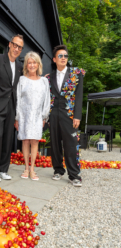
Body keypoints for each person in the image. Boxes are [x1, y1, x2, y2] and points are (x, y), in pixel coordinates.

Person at [0, 34, 24, 182]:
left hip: (11, 107)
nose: (17, 48)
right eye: (15, 45)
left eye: (20, 47)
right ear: (9, 44)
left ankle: (3, 169)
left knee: (8, 139)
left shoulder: (20, 67)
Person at [46, 45, 85, 187]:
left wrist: (77, 116)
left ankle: (74, 175)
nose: (64, 58)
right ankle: (58, 170)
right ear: (54, 59)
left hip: (69, 115)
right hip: (53, 113)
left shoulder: (76, 74)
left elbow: (79, 96)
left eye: (66, 56)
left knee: (71, 144)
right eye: (60, 56)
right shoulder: (49, 77)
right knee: (55, 144)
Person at [15, 52, 50, 180]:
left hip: (37, 115)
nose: (32, 65)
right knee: (25, 140)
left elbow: (47, 100)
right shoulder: (22, 80)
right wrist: (17, 118)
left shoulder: (44, 81)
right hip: (24, 115)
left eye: (34, 62)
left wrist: (44, 117)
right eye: (29, 62)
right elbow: (18, 99)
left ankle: (32, 169)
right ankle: (25, 168)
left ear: (38, 64)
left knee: (35, 141)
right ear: (26, 65)